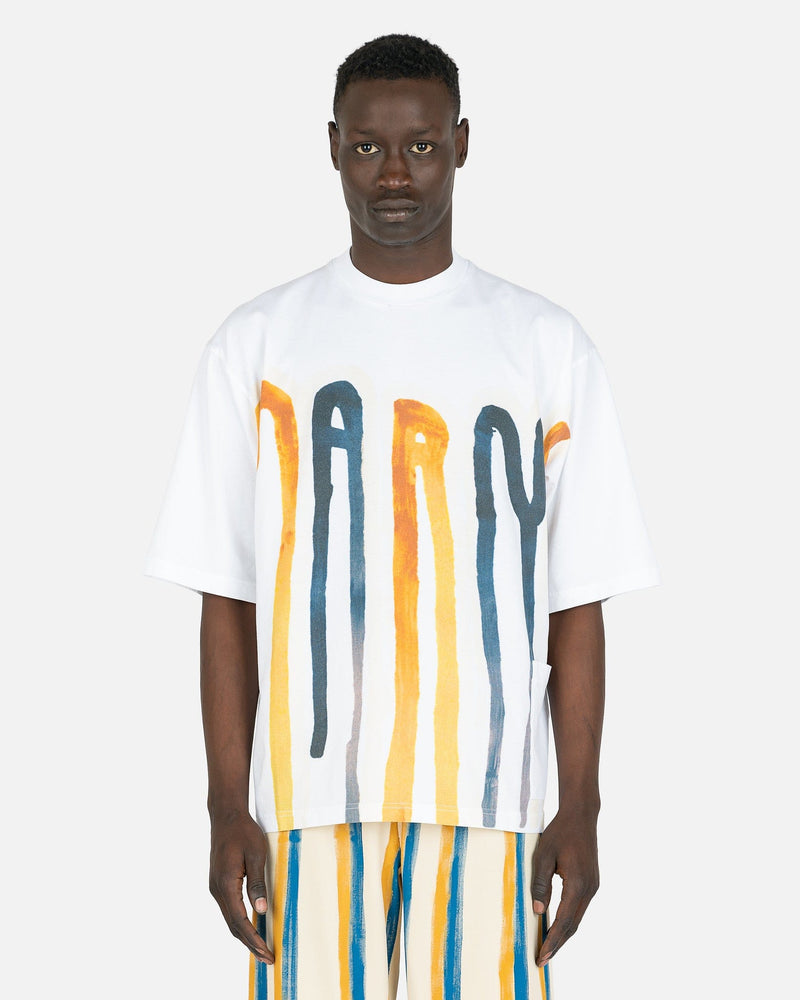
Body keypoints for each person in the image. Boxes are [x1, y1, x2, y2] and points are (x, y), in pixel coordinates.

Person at [145, 33, 659, 1000]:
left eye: (420, 145)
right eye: (368, 146)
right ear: (331, 147)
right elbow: (227, 594)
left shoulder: (545, 347)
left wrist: (581, 804)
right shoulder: (255, 346)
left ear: (462, 143)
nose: (394, 174)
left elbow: (578, 596)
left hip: (493, 809)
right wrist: (225, 805)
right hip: (303, 813)